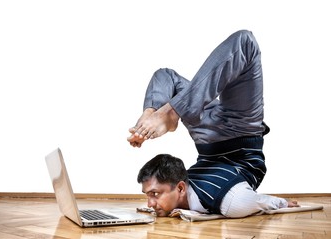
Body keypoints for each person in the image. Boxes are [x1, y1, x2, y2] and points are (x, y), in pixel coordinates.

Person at [127, 30, 299, 217]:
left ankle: (154, 112)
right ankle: (173, 110)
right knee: (245, 42)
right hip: (240, 129)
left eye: (154, 194)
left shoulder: (183, 185)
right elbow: (259, 202)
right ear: (181, 189)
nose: (150, 203)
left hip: (206, 137)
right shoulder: (229, 200)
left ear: (181, 187)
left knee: (165, 75)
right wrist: (281, 203)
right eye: (150, 195)